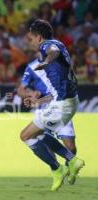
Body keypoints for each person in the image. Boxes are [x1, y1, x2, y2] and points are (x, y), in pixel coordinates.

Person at [19, 19, 85, 191]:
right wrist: (38, 101)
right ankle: (68, 161)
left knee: (26, 136)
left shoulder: (47, 46)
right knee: (36, 134)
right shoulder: (60, 44)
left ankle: (62, 166)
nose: (31, 42)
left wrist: (46, 61)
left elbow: (52, 51)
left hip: (63, 105)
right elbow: (58, 90)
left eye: (31, 38)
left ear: (39, 38)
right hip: (67, 101)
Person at [18, 58, 78, 185]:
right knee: (40, 139)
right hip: (44, 108)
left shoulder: (58, 64)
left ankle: (70, 163)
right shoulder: (33, 66)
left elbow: (59, 91)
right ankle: (57, 169)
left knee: (71, 147)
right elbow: (21, 90)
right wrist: (33, 93)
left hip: (61, 106)